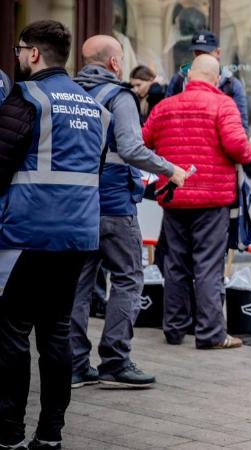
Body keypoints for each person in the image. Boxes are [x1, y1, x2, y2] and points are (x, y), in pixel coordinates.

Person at [0, 20, 108, 450]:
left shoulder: (26, 98)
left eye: (19, 49)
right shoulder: (92, 105)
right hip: (77, 236)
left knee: (11, 334)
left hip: (25, 235)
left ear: (32, 54)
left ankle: (8, 435)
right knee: (56, 334)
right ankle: (50, 436)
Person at [70, 35, 188, 390]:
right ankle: (115, 360)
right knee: (127, 277)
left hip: (77, 204)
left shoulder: (70, 94)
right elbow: (132, 148)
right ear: (113, 63)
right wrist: (170, 169)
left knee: (80, 284)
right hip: (114, 204)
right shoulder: (118, 96)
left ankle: (75, 365)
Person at [142, 54, 251, 349]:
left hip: (174, 195)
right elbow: (237, 146)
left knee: (175, 264)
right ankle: (211, 333)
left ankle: (174, 329)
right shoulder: (223, 104)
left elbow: (143, 141)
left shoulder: (164, 107)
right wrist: (250, 155)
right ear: (216, 78)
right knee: (207, 266)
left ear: (189, 76)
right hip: (211, 198)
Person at [165, 31, 249, 133]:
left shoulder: (232, 84)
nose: (201, 57)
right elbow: (166, 117)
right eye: (198, 53)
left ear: (218, 53)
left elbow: (242, 127)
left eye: (206, 53)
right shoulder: (179, 79)